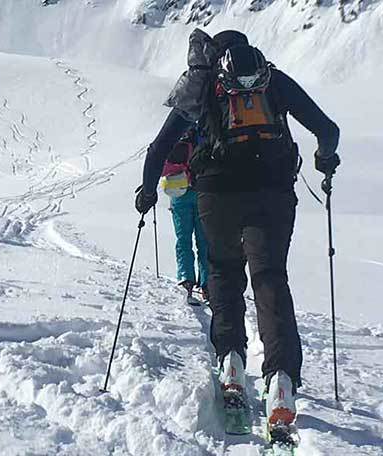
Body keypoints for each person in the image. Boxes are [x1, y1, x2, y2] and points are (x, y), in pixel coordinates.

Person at [134, 30, 341, 434]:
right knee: (270, 279)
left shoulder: (205, 87)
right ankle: (281, 382)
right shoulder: (272, 80)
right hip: (273, 195)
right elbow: (327, 130)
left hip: (217, 196)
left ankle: (231, 364)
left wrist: (146, 192)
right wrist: (324, 160)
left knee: (224, 273)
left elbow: (159, 148)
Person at [160, 132, 209, 306]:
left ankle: (186, 279)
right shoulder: (204, 138)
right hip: (203, 192)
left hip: (179, 193)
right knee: (204, 241)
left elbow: (162, 166)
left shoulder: (176, 142)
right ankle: (207, 284)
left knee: (183, 239)